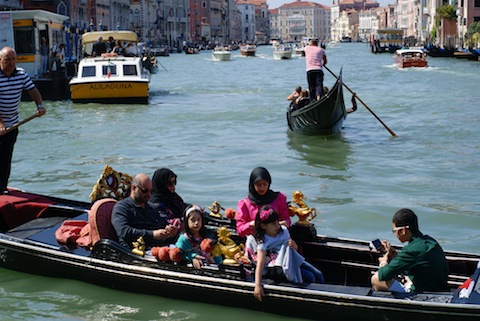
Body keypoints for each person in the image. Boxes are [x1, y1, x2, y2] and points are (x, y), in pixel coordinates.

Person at [248, 206, 324, 302]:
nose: (277, 225)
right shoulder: (263, 241)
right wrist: (257, 285)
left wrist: (294, 245)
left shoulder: (283, 231)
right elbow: (260, 263)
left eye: (277, 221)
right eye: (273, 223)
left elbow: (294, 249)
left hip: (293, 260)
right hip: (281, 266)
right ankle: (315, 299)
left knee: (318, 273)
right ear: (263, 226)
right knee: (310, 276)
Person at [0, 46, 46, 193]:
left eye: (14, 59)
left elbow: (33, 91)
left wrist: (39, 105)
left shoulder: (21, 74)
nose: (11, 62)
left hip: (12, 124)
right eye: (8, 59)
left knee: (6, 157)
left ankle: (2, 188)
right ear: (0, 60)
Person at [371, 208, 449, 293]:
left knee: (375, 279)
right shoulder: (430, 241)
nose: (394, 234)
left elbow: (383, 275)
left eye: (394, 231)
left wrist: (383, 262)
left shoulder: (411, 250)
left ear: (403, 231)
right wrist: (393, 253)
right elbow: (413, 262)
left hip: (423, 291)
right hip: (439, 286)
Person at [111, 173, 179, 249]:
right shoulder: (121, 207)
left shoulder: (152, 207)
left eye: (151, 191)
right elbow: (124, 232)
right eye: (145, 191)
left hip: (158, 249)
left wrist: (171, 232)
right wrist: (152, 234)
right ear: (133, 188)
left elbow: (162, 229)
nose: (149, 194)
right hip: (135, 251)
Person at [236, 167, 291, 238]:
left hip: (277, 237)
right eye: (258, 185)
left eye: (264, 184)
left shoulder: (279, 198)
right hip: (256, 240)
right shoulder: (245, 204)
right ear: (253, 185)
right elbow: (240, 229)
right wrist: (250, 225)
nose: (262, 188)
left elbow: (286, 220)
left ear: (269, 183)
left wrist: (278, 225)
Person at [175, 204, 222, 269]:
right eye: (192, 220)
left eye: (199, 219)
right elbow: (178, 254)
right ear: (187, 221)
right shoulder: (184, 239)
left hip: (213, 265)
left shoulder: (208, 235)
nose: (196, 222)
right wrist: (192, 256)